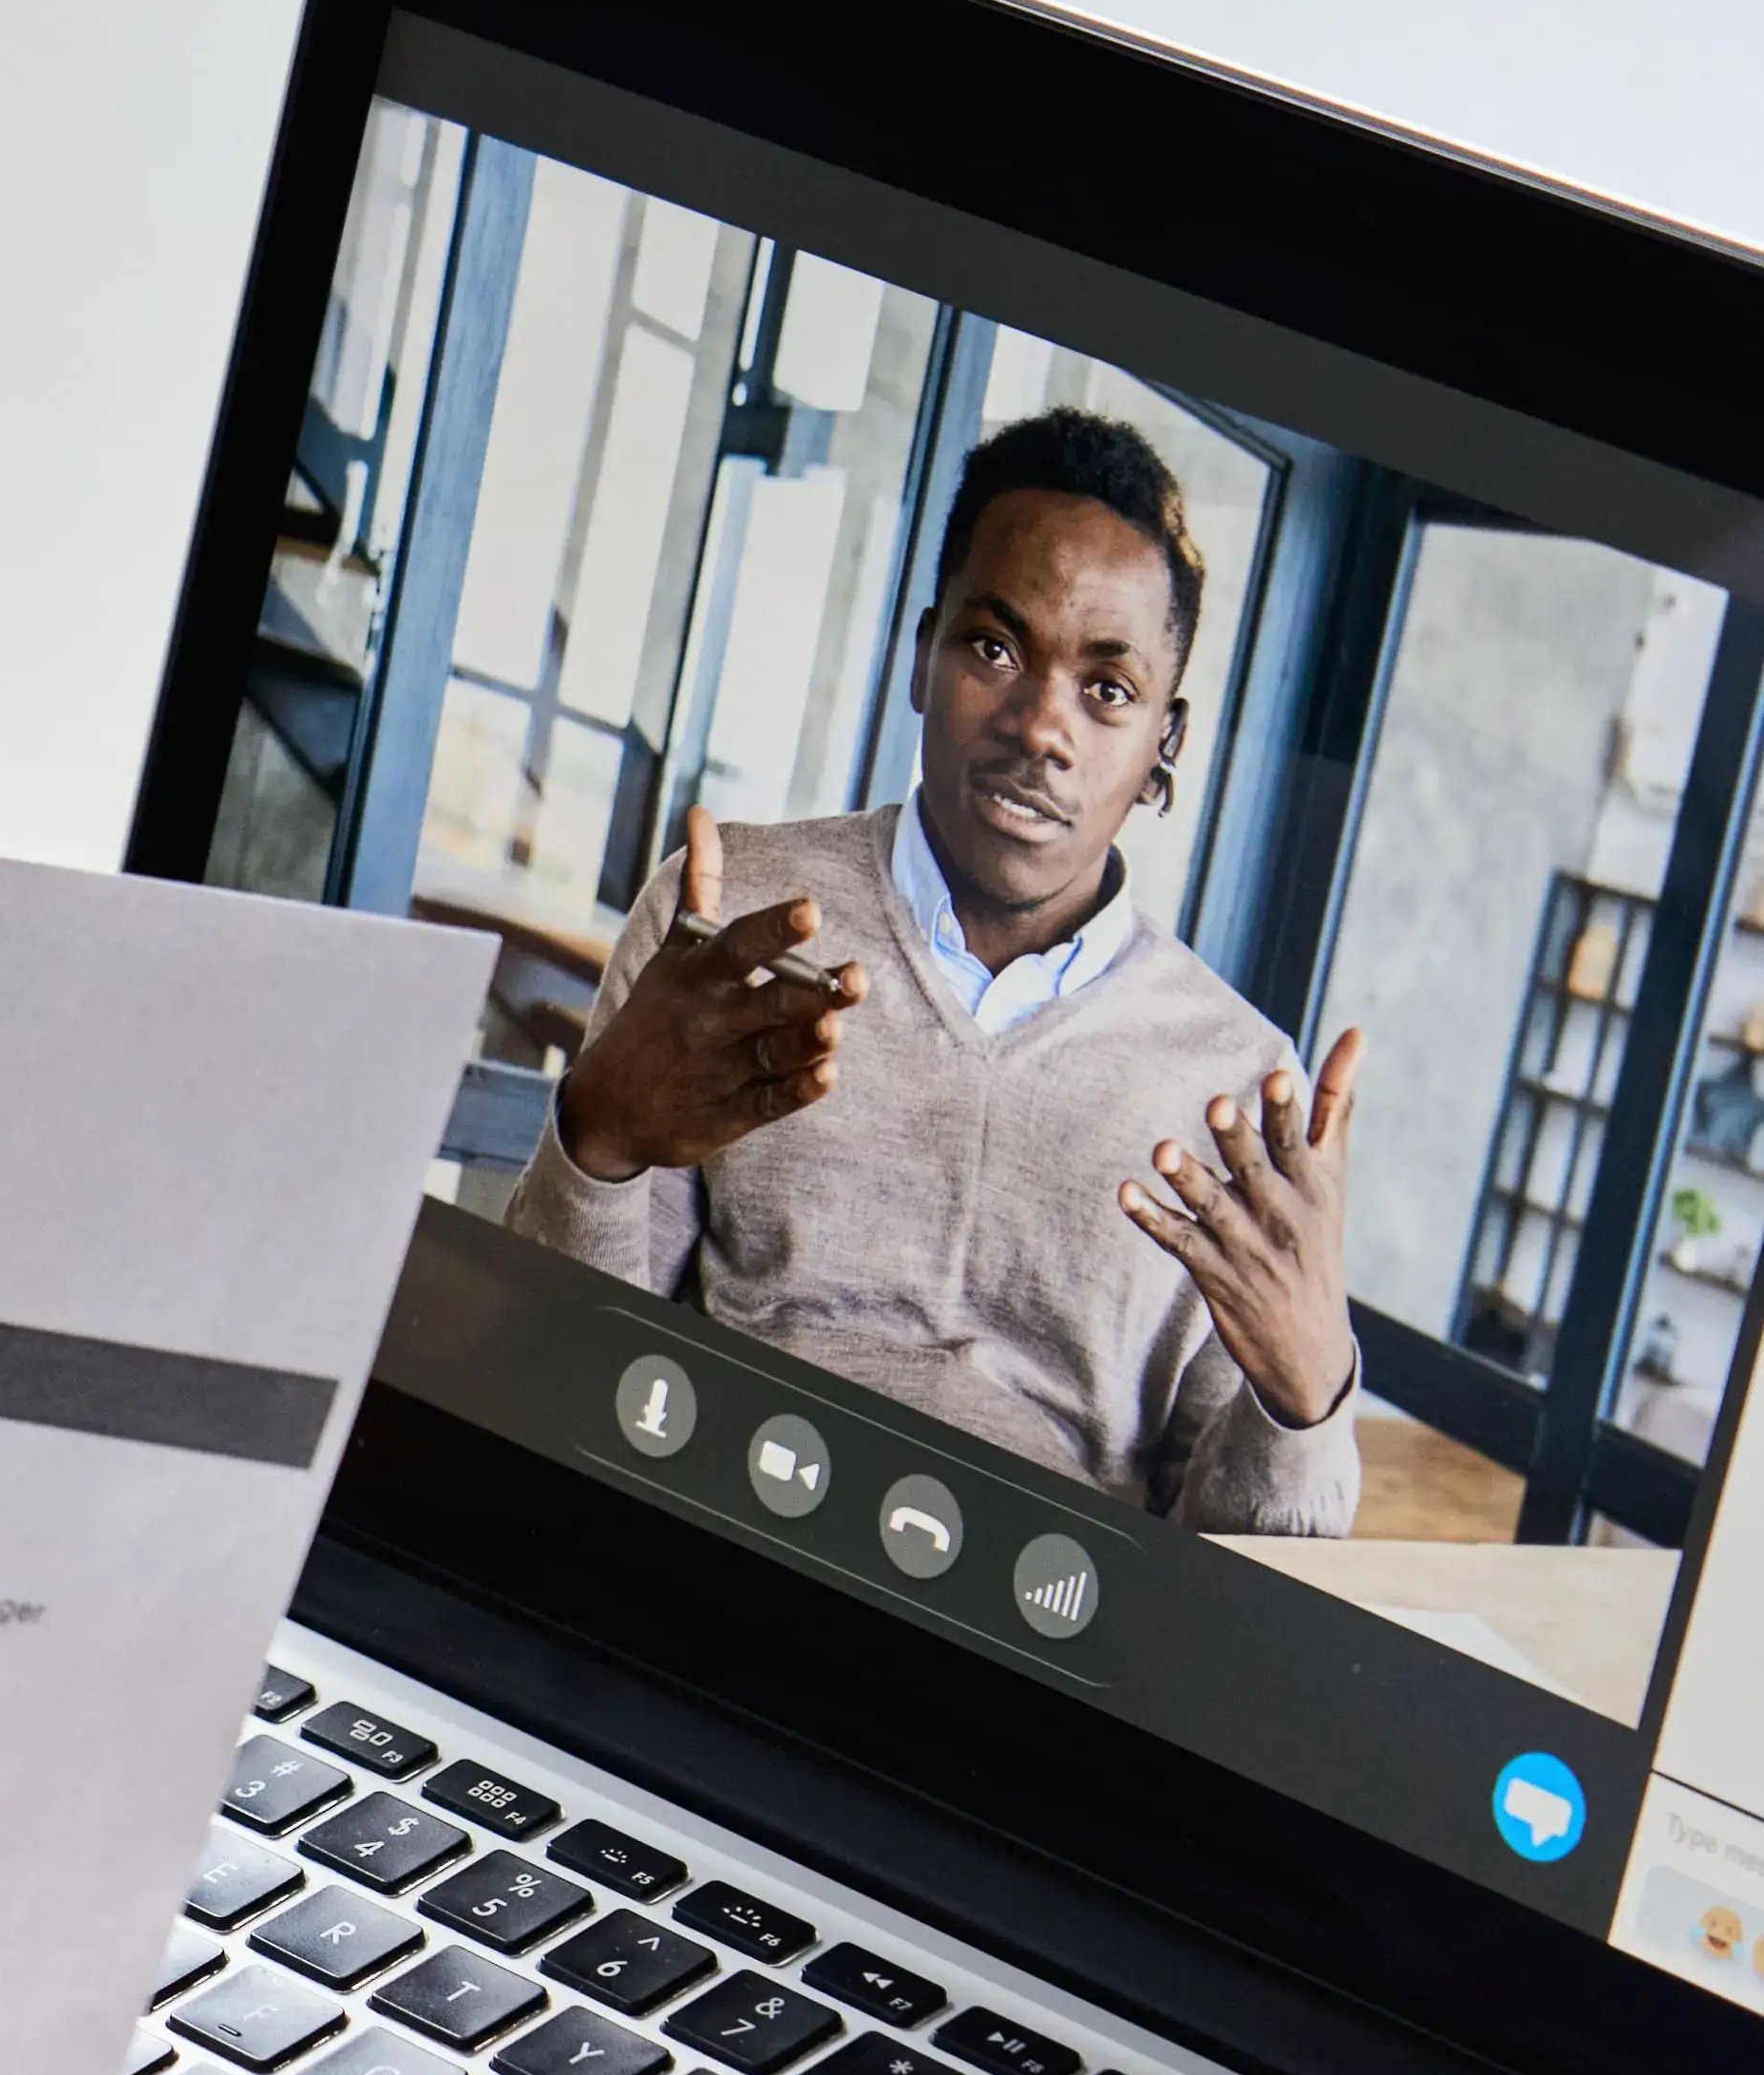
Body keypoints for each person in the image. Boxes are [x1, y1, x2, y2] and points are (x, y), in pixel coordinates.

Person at [506, 409, 1369, 1534]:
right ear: (923, 656)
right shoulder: (725, 921)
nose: (1040, 727)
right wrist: (600, 1139)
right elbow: (561, 1364)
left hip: (1034, 1640)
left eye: (1107, 690)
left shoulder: (1241, 1087)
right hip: (707, 1540)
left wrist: (1306, 1396)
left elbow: (1236, 1596)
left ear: (1166, 745)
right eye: (995, 649)